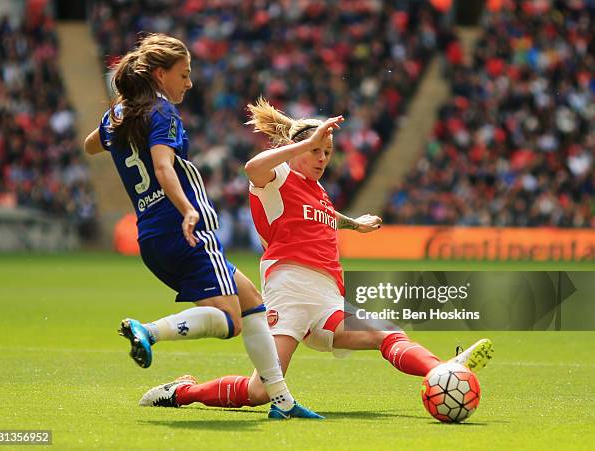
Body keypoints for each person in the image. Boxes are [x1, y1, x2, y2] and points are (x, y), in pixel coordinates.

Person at [139, 97, 494, 412]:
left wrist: (354, 224)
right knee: (260, 391)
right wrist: (304, 144)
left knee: (386, 333)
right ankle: (181, 392)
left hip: (328, 297)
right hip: (289, 288)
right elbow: (252, 168)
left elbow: (326, 217)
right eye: (316, 150)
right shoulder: (276, 176)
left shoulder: (319, 191)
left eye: (327, 152)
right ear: (298, 147)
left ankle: (441, 369)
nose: (323, 157)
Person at [83, 35, 321, 419]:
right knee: (229, 321)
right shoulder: (161, 113)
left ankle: (282, 401)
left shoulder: (119, 116)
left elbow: (91, 145)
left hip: (151, 236)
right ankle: (149, 331)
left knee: (251, 304)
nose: (189, 83)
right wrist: (187, 210)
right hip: (184, 226)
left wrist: (119, 119)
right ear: (160, 75)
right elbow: (162, 167)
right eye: (184, 74)